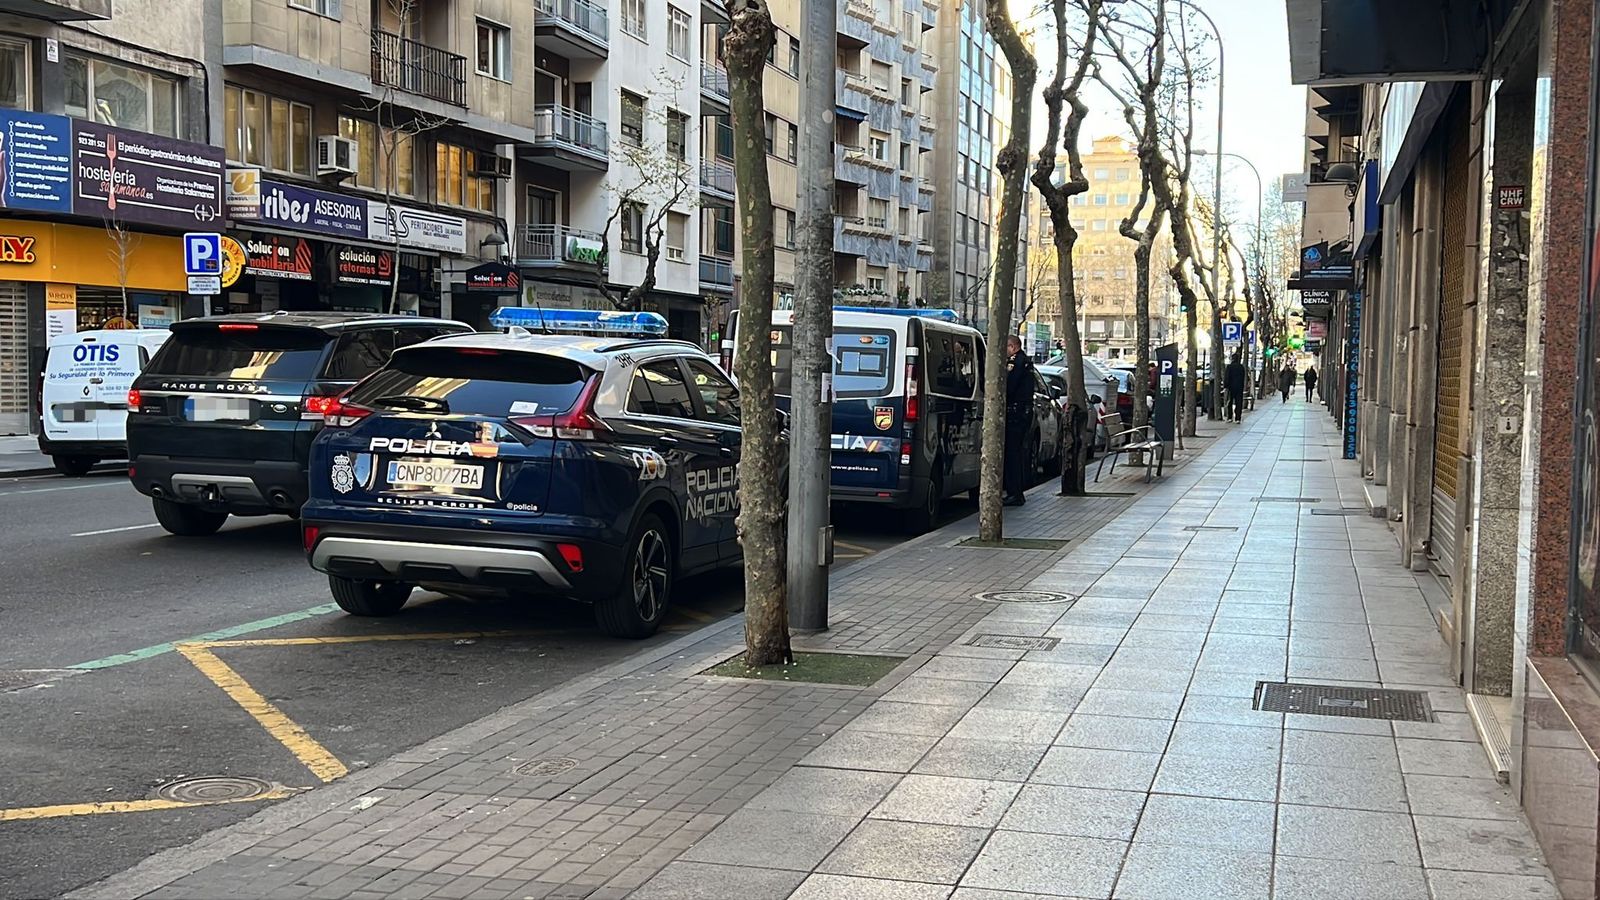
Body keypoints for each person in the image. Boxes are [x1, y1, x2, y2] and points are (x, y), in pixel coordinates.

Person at [1003, 334, 1035, 507]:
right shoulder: (1026, 362)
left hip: (1015, 414)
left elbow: (1009, 387)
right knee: (1016, 453)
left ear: (1013, 347)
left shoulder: (1016, 363)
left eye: (1006, 347)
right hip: (1022, 413)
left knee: (1012, 454)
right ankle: (1015, 491)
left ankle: (1014, 493)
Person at [1224, 351, 1247, 423]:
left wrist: (1225, 386)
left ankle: (1230, 417)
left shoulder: (1229, 367)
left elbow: (1227, 377)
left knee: (1230, 402)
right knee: (1238, 402)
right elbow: (1243, 377)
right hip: (1239, 387)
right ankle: (1238, 418)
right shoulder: (1241, 367)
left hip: (1231, 387)